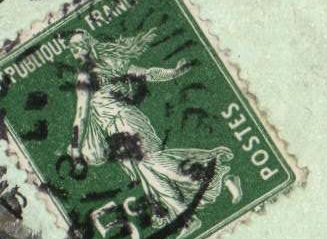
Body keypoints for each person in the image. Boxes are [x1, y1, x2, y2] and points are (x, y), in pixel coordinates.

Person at [66, 29, 233, 226]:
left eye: (79, 44)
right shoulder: (102, 67)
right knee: (149, 173)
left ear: (89, 43)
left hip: (126, 120)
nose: (75, 49)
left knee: (153, 161)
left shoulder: (88, 75)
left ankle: (213, 175)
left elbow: (81, 115)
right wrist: (174, 72)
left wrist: (76, 150)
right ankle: (188, 218)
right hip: (117, 129)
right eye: (72, 47)